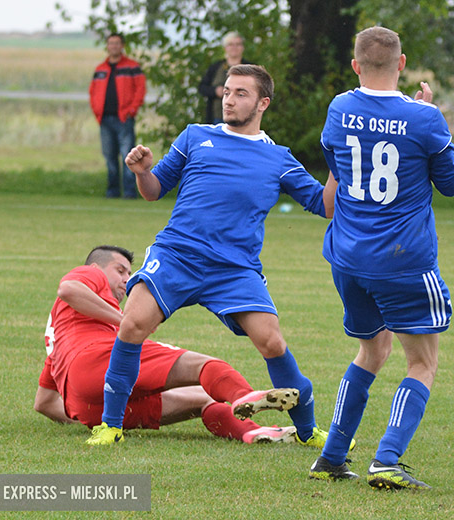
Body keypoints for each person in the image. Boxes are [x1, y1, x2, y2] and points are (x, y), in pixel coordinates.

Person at [86, 64, 342, 448]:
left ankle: (308, 431)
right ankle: (110, 425)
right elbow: (154, 190)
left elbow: (326, 206)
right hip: (177, 255)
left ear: (262, 103)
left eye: (241, 93)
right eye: (226, 91)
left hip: (234, 269)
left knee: (271, 342)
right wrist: (142, 172)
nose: (229, 99)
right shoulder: (195, 136)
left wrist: (338, 165)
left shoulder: (279, 159)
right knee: (132, 325)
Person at [308, 26, 454, 490]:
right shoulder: (425, 118)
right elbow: (451, 185)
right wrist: (430, 113)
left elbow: (337, 165)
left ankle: (333, 455)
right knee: (423, 362)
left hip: (348, 257)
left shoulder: (340, 107)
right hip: (403, 261)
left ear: (355, 65)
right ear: (402, 63)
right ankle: (387, 459)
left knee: (371, 350)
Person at [36, 245, 297, 444]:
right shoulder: (90, 273)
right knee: (203, 365)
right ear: (97, 266)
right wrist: (126, 321)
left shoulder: (59, 335)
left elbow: (44, 403)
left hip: (88, 407)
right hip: (96, 361)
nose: (127, 279)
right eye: (120, 271)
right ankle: (242, 395)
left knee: (202, 400)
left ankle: (252, 433)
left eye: (130, 273)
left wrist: (83, 411)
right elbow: (69, 289)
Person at [89, 33, 146, 199]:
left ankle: (129, 192)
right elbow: (93, 92)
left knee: (127, 157)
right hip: (105, 119)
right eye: (110, 43)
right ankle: (112, 192)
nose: (113, 46)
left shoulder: (132, 66)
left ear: (122, 46)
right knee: (109, 156)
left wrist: (131, 110)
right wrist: (97, 111)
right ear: (107, 46)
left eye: (117, 43)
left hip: (124, 118)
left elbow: (140, 90)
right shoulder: (100, 69)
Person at [198, 31, 252, 124]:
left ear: (242, 47)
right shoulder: (215, 67)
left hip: (243, 118)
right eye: (231, 44)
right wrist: (215, 91)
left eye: (238, 44)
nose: (234, 47)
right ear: (225, 48)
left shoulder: (250, 68)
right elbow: (202, 87)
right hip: (217, 117)